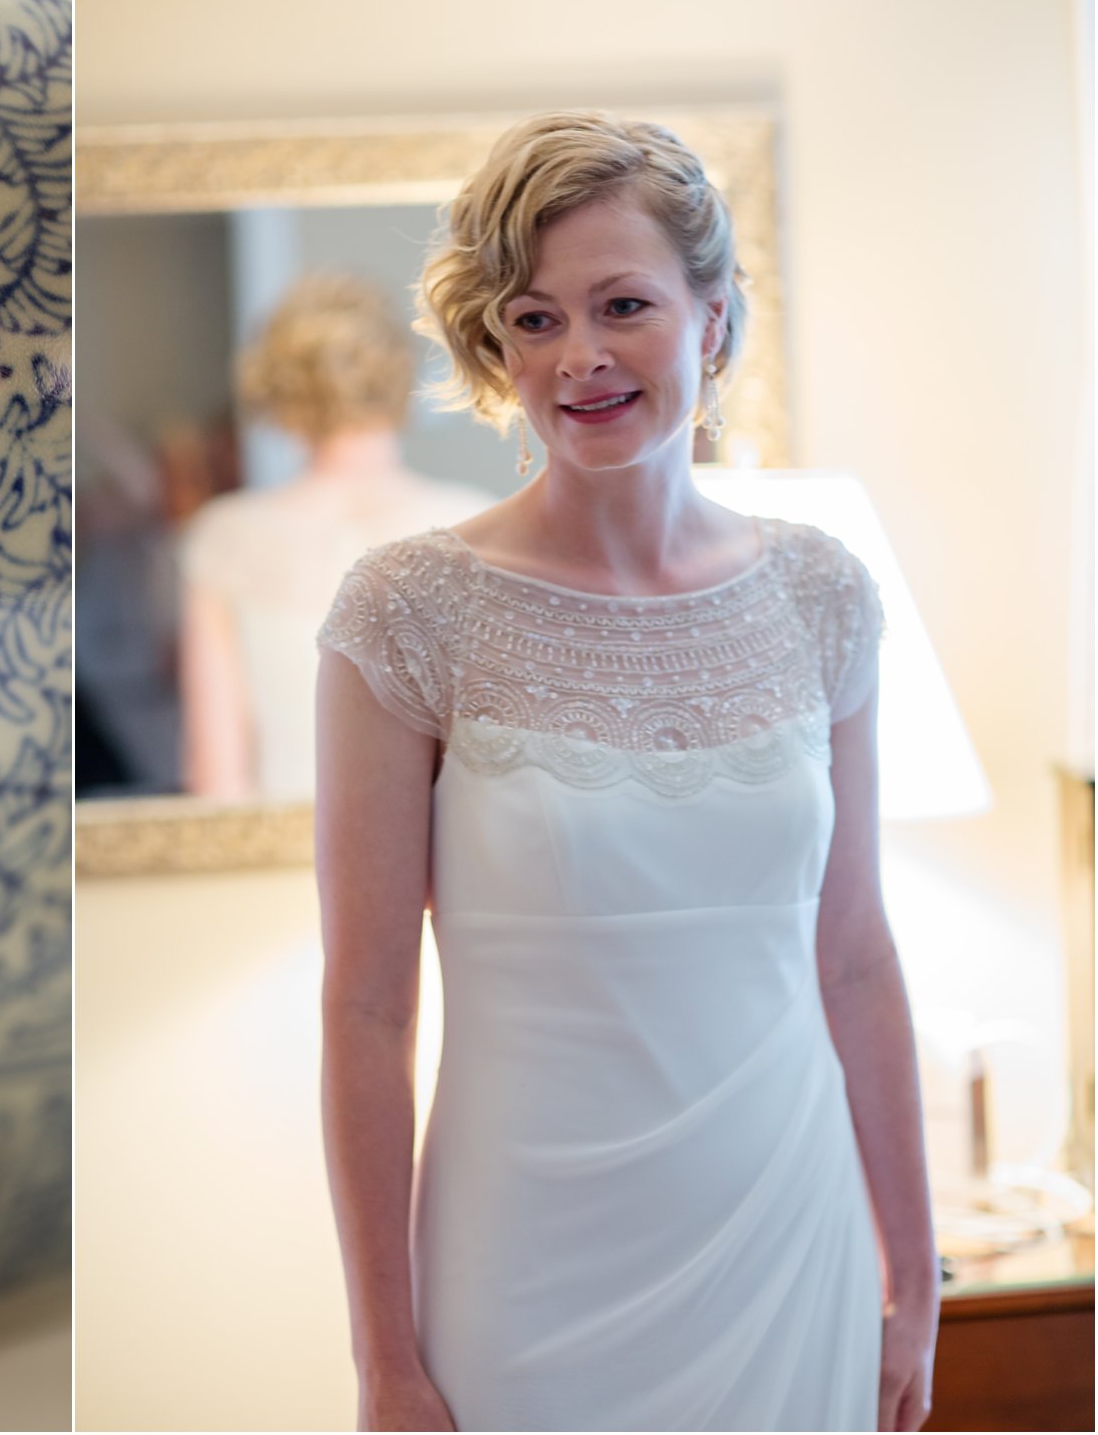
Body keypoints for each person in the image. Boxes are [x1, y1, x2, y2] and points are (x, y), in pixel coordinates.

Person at [314, 113, 937, 1432]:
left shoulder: (825, 593)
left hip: (788, 1228)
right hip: (525, 1260)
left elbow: (858, 958)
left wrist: (914, 1282)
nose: (580, 356)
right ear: (494, 350)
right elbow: (368, 1008)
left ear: (713, 320)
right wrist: (384, 1360)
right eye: (532, 320)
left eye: (624, 304)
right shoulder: (407, 611)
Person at [180, 274, 488, 800]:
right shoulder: (476, 523)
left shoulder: (225, 537)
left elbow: (217, 776)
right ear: (398, 374)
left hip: (274, 861)